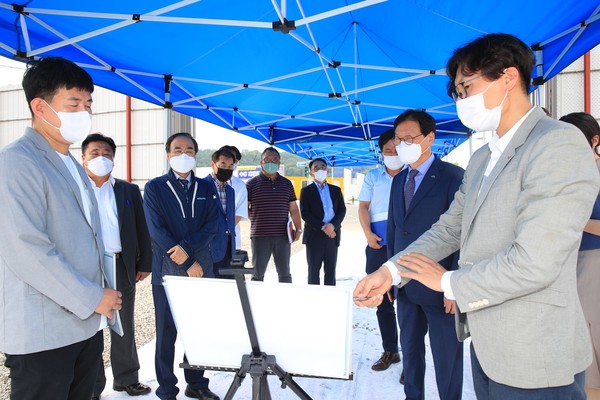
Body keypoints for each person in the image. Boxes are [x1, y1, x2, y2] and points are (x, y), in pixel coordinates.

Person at [354, 33, 599, 400]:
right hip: (488, 348)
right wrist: (390, 272)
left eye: (465, 87)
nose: (461, 100)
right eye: (457, 92)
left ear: (508, 77)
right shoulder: (484, 157)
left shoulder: (556, 143)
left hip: (535, 354)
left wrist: (450, 283)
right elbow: (451, 227)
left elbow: (536, 261)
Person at [0, 56, 122, 400]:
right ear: (40, 107)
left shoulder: (70, 162)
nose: (84, 112)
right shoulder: (17, 161)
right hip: (44, 332)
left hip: (84, 326)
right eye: (74, 103)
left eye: (88, 104)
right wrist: (92, 296)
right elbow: (26, 248)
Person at [388, 110, 464, 399]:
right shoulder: (399, 180)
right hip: (405, 287)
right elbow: (397, 231)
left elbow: (460, 235)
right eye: (398, 138)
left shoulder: (453, 177)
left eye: (410, 138)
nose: (402, 144)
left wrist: (453, 287)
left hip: (440, 287)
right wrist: (391, 276)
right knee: (410, 352)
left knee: (448, 358)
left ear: (430, 138)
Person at [143, 132, 220, 400]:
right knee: (166, 333)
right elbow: (157, 230)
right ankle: (166, 389)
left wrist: (190, 255)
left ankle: (197, 383)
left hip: (201, 269)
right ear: (168, 154)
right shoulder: (154, 188)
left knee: (198, 329)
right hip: (168, 271)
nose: (183, 154)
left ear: (195, 155)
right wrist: (187, 260)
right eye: (177, 149)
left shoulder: (206, 187)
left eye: (188, 150)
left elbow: (213, 225)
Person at [81, 133, 152, 400]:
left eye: (107, 153)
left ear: (114, 158)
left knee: (123, 323)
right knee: (90, 326)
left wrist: (144, 262)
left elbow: (141, 228)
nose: (102, 158)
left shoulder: (128, 190)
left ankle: (126, 379)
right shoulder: (75, 187)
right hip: (87, 266)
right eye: (95, 153)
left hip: (121, 264)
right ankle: (93, 385)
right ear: (83, 158)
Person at [559, 112, 600, 400]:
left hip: (592, 265)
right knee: (582, 358)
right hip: (565, 265)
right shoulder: (563, 175)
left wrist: (576, 219)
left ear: (594, 140)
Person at [357, 129, 404, 371]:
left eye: (397, 149)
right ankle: (390, 351)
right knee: (382, 301)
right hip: (378, 245)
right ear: (381, 152)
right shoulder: (373, 176)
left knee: (408, 301)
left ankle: (413, 359)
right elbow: (363, 207)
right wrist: (368, 235)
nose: (393, 154)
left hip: (405, 247)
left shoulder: (412, 174)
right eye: (388, 150)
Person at [246, 147, 302, 283]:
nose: (270, 162)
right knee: (257, 274)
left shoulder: (287, 184)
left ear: (279, 163)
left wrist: (299, 228)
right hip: (260, 236)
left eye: (274, 160)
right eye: (267, 159)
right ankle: (254, 303)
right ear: (261, 163)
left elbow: (293, 208)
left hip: (283, 236)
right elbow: (245, 208)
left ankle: (285, 302)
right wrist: (256, 218)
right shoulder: (251, 184)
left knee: (285, 274)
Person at [299, 158, 346, 285]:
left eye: (323, 167)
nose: (321, 170)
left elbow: (342, 210)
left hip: (333, 234)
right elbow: (305, 213)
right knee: (313, 271)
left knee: (331, 270)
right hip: (314, 235)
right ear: (311, 173)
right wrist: (324, 227)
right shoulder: (306, 191)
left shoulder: (336, 190)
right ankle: (315, 300)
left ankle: (331, 298)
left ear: (327, 170)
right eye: (316, 168)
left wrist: (332, 226)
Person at [204, 148, 236, 278]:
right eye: (223, 164)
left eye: (230, 166)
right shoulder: (202, 186)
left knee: (228, 288)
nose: (227, 169)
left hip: (228, 247)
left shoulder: (230, 190)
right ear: (213, 164)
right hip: (209, 248)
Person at [219, 145, 248, 251]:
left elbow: (238, 215)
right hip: (207, 241)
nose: (231, 164)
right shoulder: (203, 183)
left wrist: (222, 232)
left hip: (231, 240)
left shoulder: (240, 185)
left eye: (234, 162)